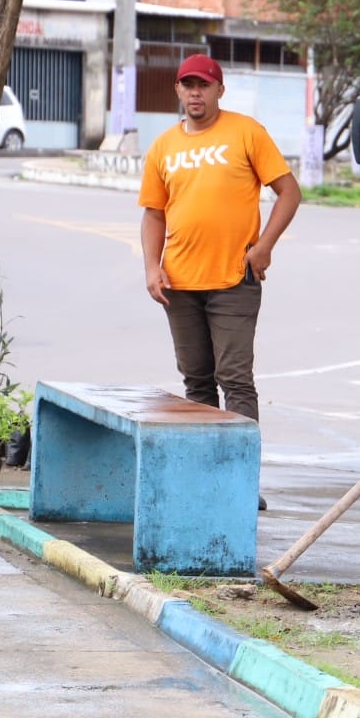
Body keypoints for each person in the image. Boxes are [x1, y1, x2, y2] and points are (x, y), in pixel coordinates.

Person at [139, 54, 301, 510]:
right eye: (187, 84)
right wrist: (152, 267)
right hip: (180, 284)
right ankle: (205, 482)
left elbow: (289, 192)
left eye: (204, 85)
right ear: (177, 90)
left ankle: (239, 483)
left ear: (219, 91)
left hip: (235, 278)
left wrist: (264, 245)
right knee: (196, 382)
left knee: (236, 381)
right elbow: (153, 213)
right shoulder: (163, 146)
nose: (195, 92)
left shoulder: (246, 131)